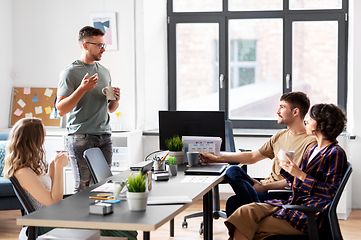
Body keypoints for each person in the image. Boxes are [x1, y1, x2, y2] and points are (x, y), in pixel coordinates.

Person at [224, 103, 347, 240]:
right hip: (292, 203)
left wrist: (299, 174)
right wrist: (288, 170)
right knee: (244, 212)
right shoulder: (313, 150)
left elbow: (330, 191)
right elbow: (297, 180)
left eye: (311, 119)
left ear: (321, 125)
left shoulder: (335, 153)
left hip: (305, 215)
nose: (306, 121)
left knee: (245, 225)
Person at [2, 118, 137, 239]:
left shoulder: (30, 166)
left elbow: (48, 189)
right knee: (120, 227)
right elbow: (54, 201)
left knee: (115, 220)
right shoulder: (23, 172)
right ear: (33, 140)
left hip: (56, 215)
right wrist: (60, 168)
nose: (44, 139)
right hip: (46, 223)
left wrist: (54, 167)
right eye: (42, 136)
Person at [200, 92, 317, 216]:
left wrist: (264, 187)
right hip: (265, 186)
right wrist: (216, 158)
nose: (277, 111)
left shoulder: (311, 141)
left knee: (233, 202)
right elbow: (251, 157)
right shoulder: (280, 135)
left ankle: (255, 207)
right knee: (232, 170)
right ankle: (255, 205)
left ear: (295, 112)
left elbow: (298, 179)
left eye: (282, 107)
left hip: (284, 192)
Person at [56, 26, 120, 192]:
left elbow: (111, 109)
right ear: (85, 45)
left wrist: (116, 100)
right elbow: (61, 109)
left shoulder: (104, 72)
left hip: (104, 136)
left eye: (104, 45)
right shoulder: (70, 72)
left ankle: (100, 217)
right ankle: (79, 218)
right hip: (80, 137)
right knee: (83, 187)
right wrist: (82, 89)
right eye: (99, 45)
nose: (103, 49)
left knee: (105, 186)